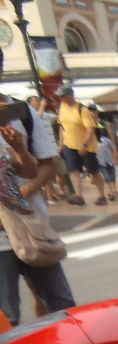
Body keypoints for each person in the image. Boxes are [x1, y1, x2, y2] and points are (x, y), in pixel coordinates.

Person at [0, 48, 74, 326]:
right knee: (6, 318)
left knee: (62, 305)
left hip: (31, 224)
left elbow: (35, 167)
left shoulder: (23, 112)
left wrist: (18, 147)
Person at [57, 84, 107, 206]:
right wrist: (61, 144)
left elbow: (90, 129)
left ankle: (102, 195)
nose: (61, 98)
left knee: (93, 171)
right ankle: (79, 196)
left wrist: (84, 145)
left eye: (63, 96)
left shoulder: (82, 109)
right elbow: (62, 126)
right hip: (69, 144)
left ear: (70, 95)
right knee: (73, 170)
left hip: (86, 146)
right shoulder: (62, 107)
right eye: (60, 96)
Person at [96, 116, 118, 201]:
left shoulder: (106, 140)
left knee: (112, 177)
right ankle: (110, 192)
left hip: (109, 161)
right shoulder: (94, 143)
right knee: (107, 177)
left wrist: (114, 158)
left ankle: (114, 191)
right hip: (101, 163)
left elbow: (113, 148)